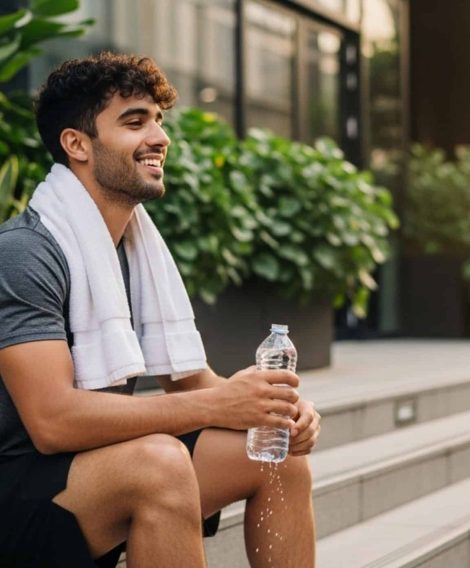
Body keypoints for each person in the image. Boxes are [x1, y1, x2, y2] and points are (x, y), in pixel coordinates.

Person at [0, 52, 321, 568]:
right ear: (76, 144)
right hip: (18, 487)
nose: (159, 137)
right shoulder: (25, 252)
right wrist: (218, 408)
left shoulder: (134, 248)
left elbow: (193, 385)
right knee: (158, 461)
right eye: (135, 121)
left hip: (89, 469)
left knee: (275, 457)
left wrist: (276, 411)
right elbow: (52, 421)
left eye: (157, 120)